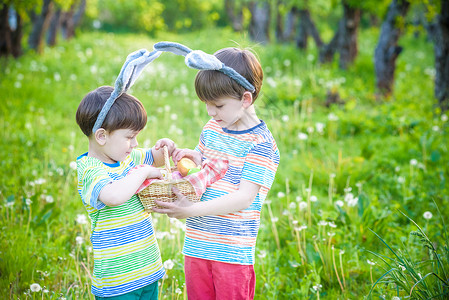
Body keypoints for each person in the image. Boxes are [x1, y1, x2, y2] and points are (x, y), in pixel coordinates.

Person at [153, 47, 280, 299]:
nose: (210, 112)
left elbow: (244, 198)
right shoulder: (213, 128)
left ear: (246, 99)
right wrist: (186, 155)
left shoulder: (261, 144)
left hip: (231, 253)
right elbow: (205, 165)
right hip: (197, 245)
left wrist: (189, 210)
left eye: (218, 105)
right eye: (207, 104)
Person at [76, 85, 176, 299]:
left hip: (148, 270)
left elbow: (156, 157)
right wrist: (144, 173)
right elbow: (113, 196)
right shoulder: (91, 170)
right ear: (102, 136)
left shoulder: (128, 158)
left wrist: (164, 148)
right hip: (118, 283)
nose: (136, 143)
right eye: (130, 137)